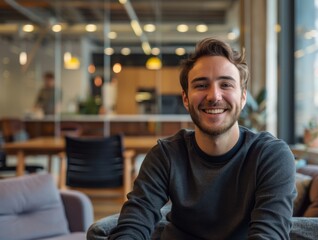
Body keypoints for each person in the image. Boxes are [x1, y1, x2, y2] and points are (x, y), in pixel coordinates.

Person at [109, 38, 297, 239]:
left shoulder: (270, 155)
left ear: (243, 97)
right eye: (201, 85)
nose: (214, 96)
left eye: (225, 84)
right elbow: (134, 223)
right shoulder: (166, 155)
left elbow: (269, 235)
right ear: (185, 98)